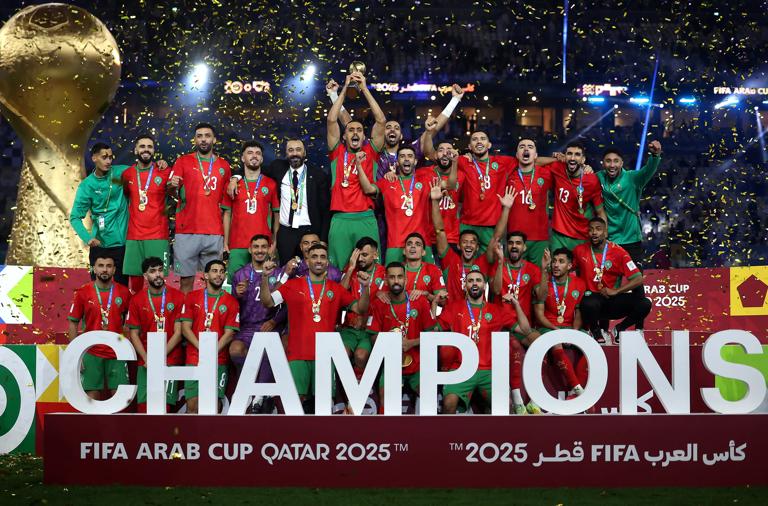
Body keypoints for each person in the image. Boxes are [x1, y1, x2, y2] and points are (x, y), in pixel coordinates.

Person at [260, 244, 371, 409]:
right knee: (296, 404)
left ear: (327, 262)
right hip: (298, 354)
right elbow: (268, 301)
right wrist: (264, 277)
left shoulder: (336, 289)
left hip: (325, 356)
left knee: (324, 405)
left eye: (322, 257)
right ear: (307, 261)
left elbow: (360, 309)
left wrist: (365, 287)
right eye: (314, 256)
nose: (318, 260)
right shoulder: (292, 285)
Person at [436, 270, 531, 414]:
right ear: (464, 285)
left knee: (506, 405)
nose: (474, 283)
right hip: (460, 368)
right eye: (470, 280)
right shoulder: (454, 307)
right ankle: (447, 437)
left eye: (478, 280)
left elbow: (525, 330)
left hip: (488, 370)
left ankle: (496, 437)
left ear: (484, 285)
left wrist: (516, 304)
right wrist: (434, 303)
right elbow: (432, 331)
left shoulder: (496, 310)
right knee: (449, 404)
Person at [229, 138, 331, 264]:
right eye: (290, 150)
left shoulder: (317, 174)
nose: (294, 153)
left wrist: (323, 239)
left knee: (310, 268)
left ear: (304, 153)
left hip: (309, 232)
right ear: (286, 154)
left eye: (298, 150)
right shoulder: (278, 168)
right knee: (284, 270)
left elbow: (326, 209)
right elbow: (252, 168)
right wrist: (235, 177)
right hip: (285, 232)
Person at [326, 72, 386, 267]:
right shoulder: (337, 152)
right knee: (339, 269)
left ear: (364, 136)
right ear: (344, 137)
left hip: (366, 218)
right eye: (350, 130)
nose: (355, 132)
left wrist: (364, 89)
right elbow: (331, 120)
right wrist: (344, 89)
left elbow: (381, 121)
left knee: (370, 270)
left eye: (359, 130)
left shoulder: (372, 151)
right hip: (340, 219)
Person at [168, 123, 231, 293]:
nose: (203, 139)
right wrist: (171, 185)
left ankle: (206, 318)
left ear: (214, 139)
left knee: (212, 283)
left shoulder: (224, 166)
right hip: (186, 231)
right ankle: (186, 318)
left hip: (214, 232)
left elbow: (227, 204)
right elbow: (170, 190)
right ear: (195, 139)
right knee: (186, 282)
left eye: (207, 135)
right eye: (199, 136)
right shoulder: (183, 161)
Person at [367, 262, 437, 410]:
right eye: (392, 277)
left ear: (405, 279)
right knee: (385, 400)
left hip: (418, 364)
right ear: (386, 280)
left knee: (430, 400)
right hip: (391, 365)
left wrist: (411, 343)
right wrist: (391, 344)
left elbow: (433, 335)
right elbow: (373, 338)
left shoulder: (419, 302)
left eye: (400, 277)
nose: (396, 281)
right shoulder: (378, 304)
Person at [431, 178, 515, 302]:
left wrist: (506, 209)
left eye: (472, 242)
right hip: (454, 317)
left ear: (477, 247)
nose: (468, 245)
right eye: (464, 242)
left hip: (478, 318)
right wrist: (434, 202)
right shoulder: (450, 260)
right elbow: (439, 231)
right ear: (459, 246)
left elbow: (496, 237)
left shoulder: (483, 262)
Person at [229, 234, 287, 413]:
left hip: (269, 327)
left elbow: (287, 304)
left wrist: (274, 320)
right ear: (250, 249)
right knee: (235, 350)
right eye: (256, 247)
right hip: (247, 328)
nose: (260, 250)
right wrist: (237, 295)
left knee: (267, 351)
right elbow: (231, 306)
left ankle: (260, 397)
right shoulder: (240, 274)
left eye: (264, 246)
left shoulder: (279, 274)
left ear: (270, 249)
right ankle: (252, 386)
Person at [573, 218, 651, 344]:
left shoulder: (619, 252)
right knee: (587, 301)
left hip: (612, 300)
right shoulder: (579, 250)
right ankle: (596, 331)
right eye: (591, 229)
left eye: (598, 229)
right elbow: (567, 268)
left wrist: (616, 291)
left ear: (605, 232)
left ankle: (620, 329)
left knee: (645, 303)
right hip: (591, 302)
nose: (594, 232)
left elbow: (638, 279)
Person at [67, 254, 131, 399]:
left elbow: (131, 322)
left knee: (120, 397)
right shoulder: (83, 292)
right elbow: (72, 323)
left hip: (117, 352)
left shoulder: (124, 292)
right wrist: (76, 354)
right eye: (101, 266)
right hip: (91, 352)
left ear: (114, 270)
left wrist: (127, 346)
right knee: (91, 398)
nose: (105, 270)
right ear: (94, 269)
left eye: (109, 266)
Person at [179, 260, 240, 413]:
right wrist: (202, 349)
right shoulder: (192, 297)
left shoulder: (231, 302)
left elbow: (229, 334)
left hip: (218, 360)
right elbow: (185, 329)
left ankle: (211, 437)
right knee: (192, 406)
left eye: (221, 271)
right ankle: (190, 438)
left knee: (213, 407)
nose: (218, 274)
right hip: (194, 358)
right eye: (214, 270)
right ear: (205, 275)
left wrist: (211, 352)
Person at [126, 256, 185, 412]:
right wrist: (147, 358)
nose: (158, 274)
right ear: (145, 276)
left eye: (160, 270)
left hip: (170, 359)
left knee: (165, 408)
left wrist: (159, 357)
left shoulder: (178, 297)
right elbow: (134, 334)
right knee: (144, 408)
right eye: (152, 271)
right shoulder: (136, 300)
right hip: (146, 362)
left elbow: (179, 333)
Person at [356, 146, 434, 263]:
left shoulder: (425, 180)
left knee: (424, 280)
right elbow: (368, 189)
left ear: (416, 161)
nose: (406, 159)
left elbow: (449, 183)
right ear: (397, 162)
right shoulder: (388, 181)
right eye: (402, 156)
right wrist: (358, 166)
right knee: (393, 280)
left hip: (422, 243)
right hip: (395, 245)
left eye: (410, 156)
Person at [70, 143, 130, 285]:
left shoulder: (120, 173)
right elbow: (74, 217)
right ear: (94, 158)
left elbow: (143, 169)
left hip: (121, 246)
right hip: (99, 247)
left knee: (120, 293)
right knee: (97, 293)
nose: (109, 161)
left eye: (110, 157)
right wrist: (88, 238)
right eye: (104, 157)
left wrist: (158, 164)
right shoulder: (87, 186)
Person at [532, 248, 586, 402]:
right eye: (554, 261)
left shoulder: (579, 284)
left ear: (569, 266)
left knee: (590, 344)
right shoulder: (543, 283)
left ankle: (573, 393)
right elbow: (539, 316)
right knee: (556, 344)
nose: (556, 265)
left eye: (561, 262)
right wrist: (556, 330)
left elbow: (578, 312)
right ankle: (578, 388)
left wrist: (574, 332)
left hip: (569, 327)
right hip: (547, 327)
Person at [597, 141, 662, 265]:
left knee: (636, 281)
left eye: (616, 161)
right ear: (603, 164)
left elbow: (648, 170)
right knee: (613, 282)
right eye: (608, 161)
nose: (612, 165)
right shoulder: (598, 178)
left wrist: (655, 155)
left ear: (622, 163)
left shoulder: (632, 178)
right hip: (610, 240)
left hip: (632, 240)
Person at [121, 134, 172, 293]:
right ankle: (135, 314)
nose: (146, 150)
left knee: (158, 278)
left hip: (158, 234)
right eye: (142, 146)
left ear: (154, 150)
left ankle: (159, 314)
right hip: (134, 234)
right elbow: (125, 195)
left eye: (149, 147)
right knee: (135, 281)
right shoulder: (128, 174)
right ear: (136, 149)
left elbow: (175, 191)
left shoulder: (164, 171)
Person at [223, 140, 280, 279]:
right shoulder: (233, 185)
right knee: (237, 288)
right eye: (250, 153)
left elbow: (276, 214)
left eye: (258, 153)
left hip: (263, 245)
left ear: (261, 158)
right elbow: (227, 213)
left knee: (264, 287)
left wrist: (275, 242)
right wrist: (225, 242)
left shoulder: (271, 184)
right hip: (237, 244)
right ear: (243, 158)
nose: (254, 156)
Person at [456, 131, 516, 253]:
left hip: (490, 226)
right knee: (465, 265)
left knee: (489, 266)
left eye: (483, 138)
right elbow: (432, 154)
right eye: (475, 139)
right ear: (469, 146)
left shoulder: (502, 162)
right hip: (467, 224)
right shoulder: (463, 161)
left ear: (489, 145)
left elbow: (532, 161)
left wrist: (559, 160)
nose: (479, 141)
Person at [338, 237, 386, 390]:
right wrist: (351, 268)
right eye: (358, 255)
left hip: (369, 329)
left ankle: (361, 391)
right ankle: (344, 394)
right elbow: (339, 294)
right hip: (349, 328)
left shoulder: (384, 273)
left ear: (375, 254)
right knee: (341, 355)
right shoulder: (350, 271)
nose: (361, 259)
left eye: (365, 255)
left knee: (360, 355)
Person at [549, 141, 607, 253]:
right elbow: (535, 162)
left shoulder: (592, 180)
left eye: (577, 154)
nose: (572, 157)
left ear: (583, 159)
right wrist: (556, 159)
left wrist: (604, 236)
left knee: (583, 271)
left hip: (582, 236)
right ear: (565, 156)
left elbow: (600, 212)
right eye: (569, 153)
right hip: (559, 235)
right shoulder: (557, 168)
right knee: (557, 269)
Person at [417, 139, 464, 250]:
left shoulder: (461, 175)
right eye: (441, 150)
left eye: (449, 150)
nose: (445, 153)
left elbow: (450, 186)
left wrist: (456, 162)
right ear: (436, 156)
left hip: (451, 236)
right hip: (427, 235)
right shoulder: (423, 173)